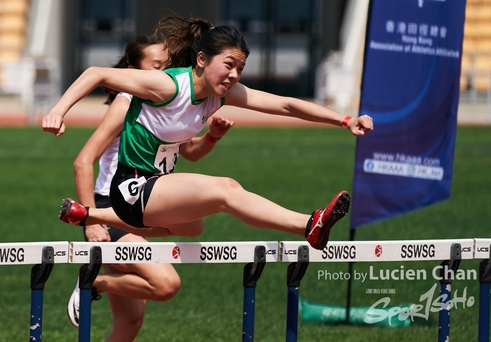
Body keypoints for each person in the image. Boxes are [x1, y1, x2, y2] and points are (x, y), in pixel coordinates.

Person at [43, 16, 374, 252]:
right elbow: (95, 73)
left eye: (240, 69)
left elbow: (286, 106)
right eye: (229, 64)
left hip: (151, 195)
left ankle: (86, 213)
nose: (234, 75)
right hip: (133, 187)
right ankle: (308, 225)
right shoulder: (167, 85)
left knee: (194, 225)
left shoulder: (220, 94)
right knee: (226, 189)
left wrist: (344, 120)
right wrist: (59, 111)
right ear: (201, 59)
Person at [66, 35, 235, 340]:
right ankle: (93, 280)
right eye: (156, 67)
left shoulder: (167, 101)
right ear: (133, 69)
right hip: (112, 211)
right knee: (165, 283)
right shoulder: (126, 101)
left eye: (167, 66)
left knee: (130, 323)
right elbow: (83, 161)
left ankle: (96, 279)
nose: (165, 73)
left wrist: (213, 136)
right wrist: (91, 219)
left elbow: (190, 153)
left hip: (146, 206)